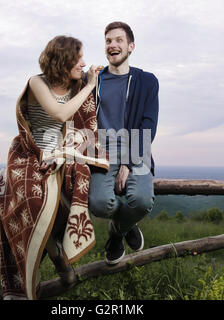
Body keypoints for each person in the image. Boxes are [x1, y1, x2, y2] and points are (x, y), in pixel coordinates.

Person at [0, 35, 108, 300]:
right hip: (31, 154)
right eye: (78, 57)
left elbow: (84, 120)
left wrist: (93, 79)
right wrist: (89, 85)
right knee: (33, 199)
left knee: (77, 176)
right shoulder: (37, 82)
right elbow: (59, 115)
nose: (83, 62)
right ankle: (58, 257)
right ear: (63, 59)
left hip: (63, 153)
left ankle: (60, 249)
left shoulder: (75, 85)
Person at [88, 22, 159, 265]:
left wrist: (129, 162)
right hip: (99, 150)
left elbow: (149, 124)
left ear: (131, 46)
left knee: (141, 201)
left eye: (118, 40)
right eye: (108, 41)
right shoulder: (94, 82)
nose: (112, 45)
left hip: (135, 146)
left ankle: (116, 233)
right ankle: (127, 226)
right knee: (98, 204)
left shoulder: (147, 81)